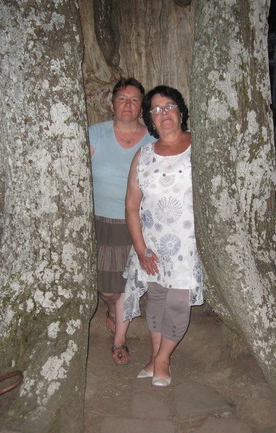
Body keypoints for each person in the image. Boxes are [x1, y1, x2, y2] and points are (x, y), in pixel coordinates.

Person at [123, 85, 204, 387]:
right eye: (155, 110)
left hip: (188, 245)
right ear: (150, 121)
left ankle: (162, 359)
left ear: (181, 112)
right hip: (151, 243)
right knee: (156, 297)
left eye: (169, 106)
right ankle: (155, 356)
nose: (163, 113)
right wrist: (141, 249)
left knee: (179, 303)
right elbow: (131, 206)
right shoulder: (142, 156)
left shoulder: (201, 147)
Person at [90, 78, 156, 365]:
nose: (128, 105)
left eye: (134, 100)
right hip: (102, 222)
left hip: (138, 225)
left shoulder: (152, 140)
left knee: (128, 285)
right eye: (122, 99)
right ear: (112, 103)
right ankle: (110, 311)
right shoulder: (94, 134)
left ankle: (120, 341)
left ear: (141, 106)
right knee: (108, 289)